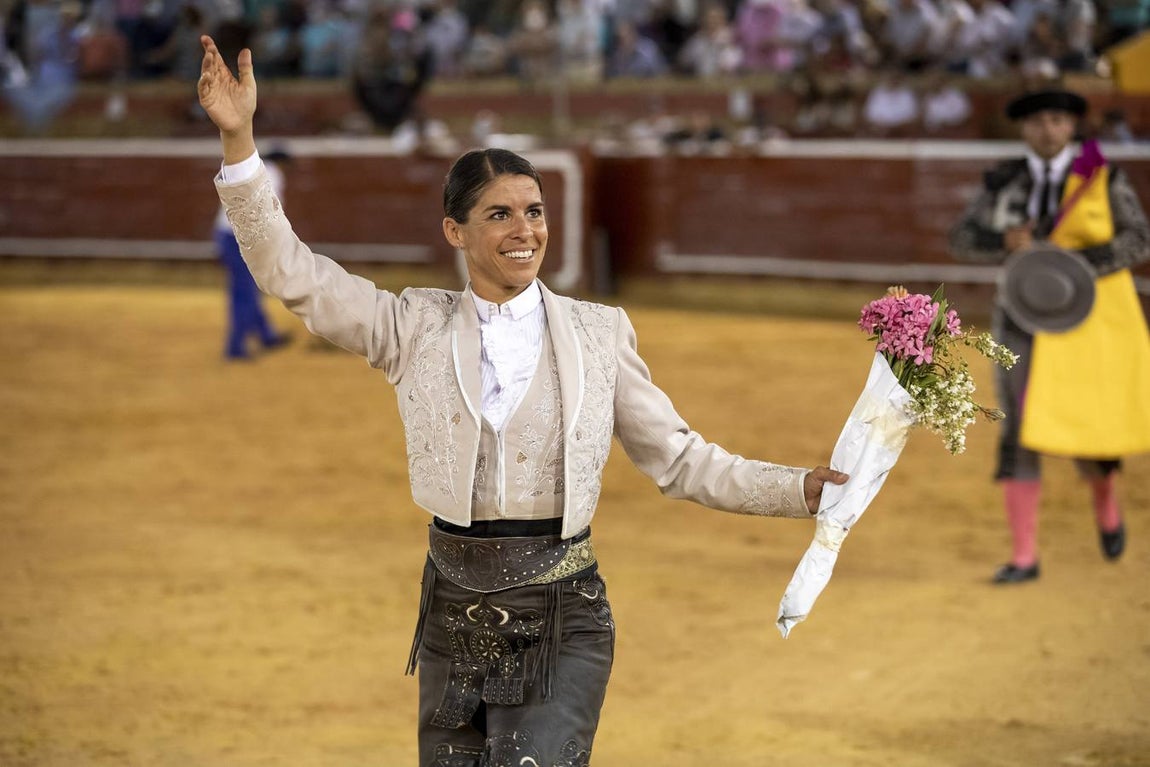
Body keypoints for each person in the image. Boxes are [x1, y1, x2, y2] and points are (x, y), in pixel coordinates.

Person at [197, 34, 849, 765]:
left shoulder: (599, 333)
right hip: (452, 610)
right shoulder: (411, 327)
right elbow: (291, 273)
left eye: (534, 211)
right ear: (455, 230)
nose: (525, 230)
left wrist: (797, 489)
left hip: (563, 614)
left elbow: (678, 460)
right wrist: (238, 140)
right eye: (500, 214)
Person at [948, 88, 1150, 584]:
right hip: (1021, 315)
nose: (1048, 129)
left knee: (1088, 420)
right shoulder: (1004, 179)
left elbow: (1138, 238)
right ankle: (1024, 556)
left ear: (1072, 127)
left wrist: (1072, 264)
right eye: (1037, 121)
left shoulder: (1102, 177)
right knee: (1019, 425)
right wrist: (1002, 240)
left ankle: (1105, 503)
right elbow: (962, 238)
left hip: (1087, 316)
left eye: (1057, 120)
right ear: (1024, 129)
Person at [213, 145, 291, 360]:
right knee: (245, 290)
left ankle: (266, 335)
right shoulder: (272, 174)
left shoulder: (251, 169)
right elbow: (270, 212)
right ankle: (235, 347)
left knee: (246, 288)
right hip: (242, 237)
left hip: (226, 234)